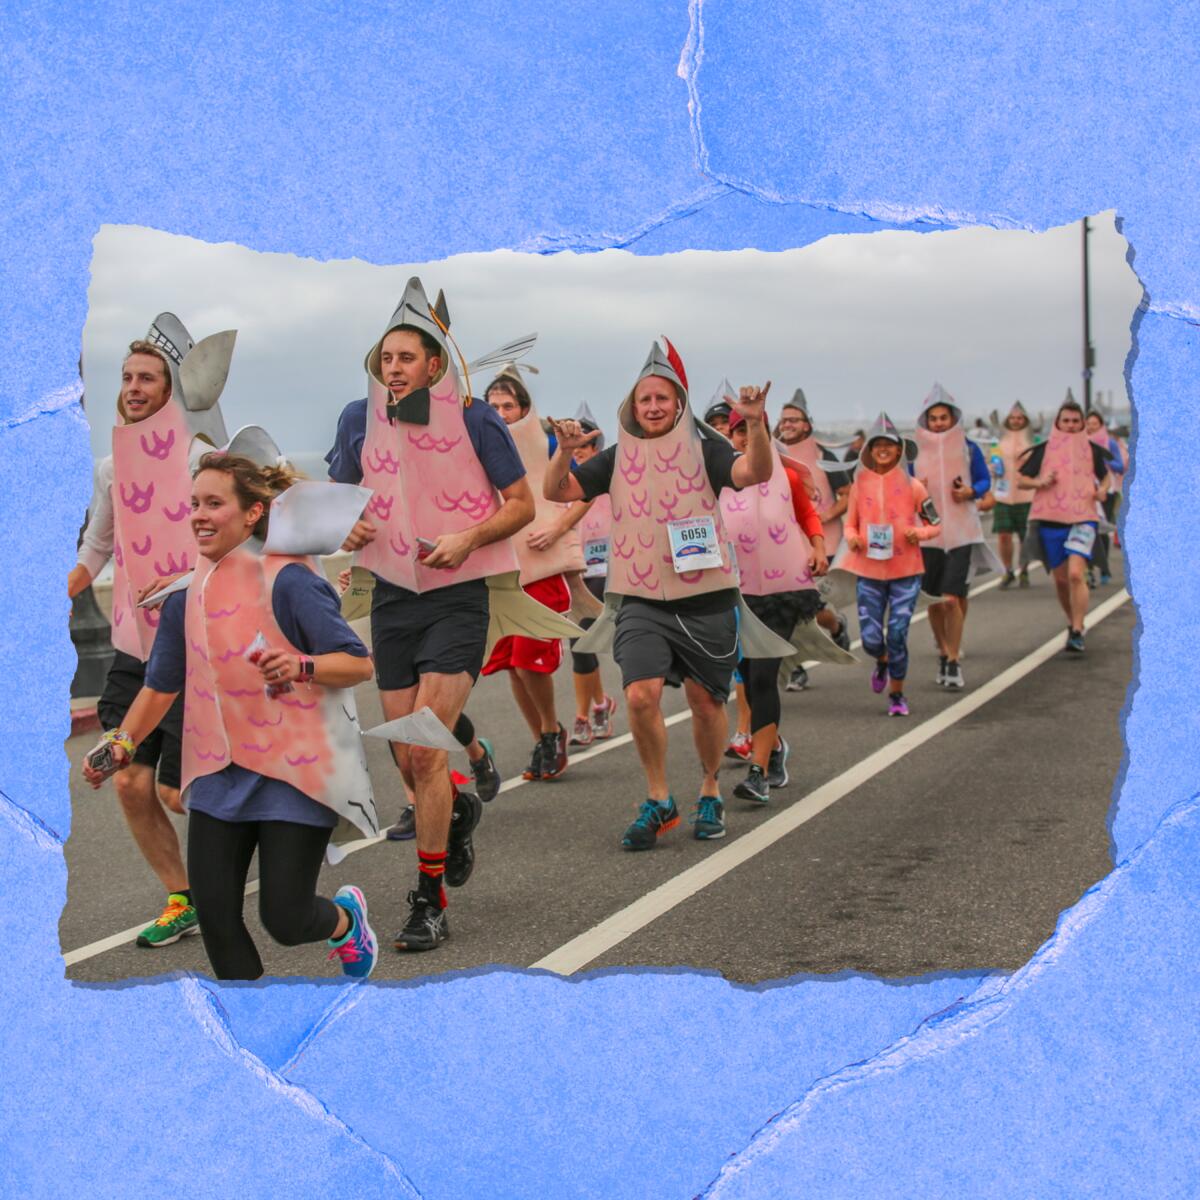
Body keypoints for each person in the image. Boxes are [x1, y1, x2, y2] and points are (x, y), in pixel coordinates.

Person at [82, 454, 381, 980]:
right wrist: (121, 745)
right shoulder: (185, 595)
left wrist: (302, 663)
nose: (198, 514)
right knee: (218, 918)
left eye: (214, 503)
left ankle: (345, 921)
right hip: (218, 769)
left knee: (285, 919)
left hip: (297, 770)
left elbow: (357, 663)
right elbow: (161, 686)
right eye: (194, 503)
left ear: (252, 514)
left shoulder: (291, 581)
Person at [326, 277, 538, 951]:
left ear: (434, 363)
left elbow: (521, 503)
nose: (393, 369)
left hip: (458, 595)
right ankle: (461, 809)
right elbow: (341, 499)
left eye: (406, 358)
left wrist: (469, 537)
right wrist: (350, 527)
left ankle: (429, 897)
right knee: (409, 760)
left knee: (423, 748)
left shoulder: (478, 419)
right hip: (391, 597)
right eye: (385, 358)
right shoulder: (358, 418)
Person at [546, 339, 784, 847]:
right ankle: (658, 799)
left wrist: (757, 425)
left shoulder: (707, 448)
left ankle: (709, 787)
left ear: (679, 403)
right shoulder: (616, 456)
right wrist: (563, 453)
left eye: (662, 398)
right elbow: (558, 491)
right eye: (644, 399)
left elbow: (754, 472)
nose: (653, 407)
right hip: (639, 597)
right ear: (632, 407)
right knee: (639, 695)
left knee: (703, 702)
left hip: (707, 598)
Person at [67, 314, 237, 949]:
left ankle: (279, 830)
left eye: (149, 378)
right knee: (131, 779)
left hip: (196, 642)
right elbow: (97, 548)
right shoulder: (112, 467)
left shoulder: (199, 457)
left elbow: (247, 523)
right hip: (135, 646)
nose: (135, 387)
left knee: (176, 789)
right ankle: (183, 896)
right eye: (128, 377)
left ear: (172, 390)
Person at [720, 407, 830, 802]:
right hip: (733, 592)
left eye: (754, 430)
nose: (747, 439)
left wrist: (817, 547)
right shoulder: (719, 478)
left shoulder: (787, 476)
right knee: (747, 678)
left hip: (782, 591)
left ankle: (758, 772)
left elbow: (807, 515)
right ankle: (776, 747)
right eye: (739, 433)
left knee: (764, 678)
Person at [481, 363, 581, 780]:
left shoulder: (546, 443)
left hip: (542, 569)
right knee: (509, 665)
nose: (501, 412)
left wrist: (557, 526)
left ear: (524, 407)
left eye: (508, 405)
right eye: (493, 406)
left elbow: (585, 491)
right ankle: (544, 737)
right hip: (503, 571)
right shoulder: (478, 444)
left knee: (528, 662)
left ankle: (550, 729)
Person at [839, 413, 941, 716]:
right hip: (869, 570)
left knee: (897, 633)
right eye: (877, 444)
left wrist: (919, 533)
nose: (883, 449)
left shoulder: (914, 486)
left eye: (889, 444)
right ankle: (881, 660)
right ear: (869, 450)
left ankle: (897, 694)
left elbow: (934, 523)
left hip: (906, 571)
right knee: (871, 639)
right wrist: (853, 537)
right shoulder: (860, 485)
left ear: (899, 450)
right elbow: (849, 524)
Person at [913, 383, 1000, 690]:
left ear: (953, 419)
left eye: (943, 418)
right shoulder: (915, 450)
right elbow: (901, 486)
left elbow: (984, 479)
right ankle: (942, 647)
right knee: (934, 602)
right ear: (926, 420)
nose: (938, 423)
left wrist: (970, 491)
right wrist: (915, 486)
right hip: (928, 536)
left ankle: (952, 660)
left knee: (952, 599)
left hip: (962, 532)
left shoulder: (967, 447)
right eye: (933, 418)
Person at [772, 389, 852, 689]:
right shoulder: (770, 454)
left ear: (807, 424)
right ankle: (796, 668)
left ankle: (836, 623)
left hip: (822, 544)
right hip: (783, 545)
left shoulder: (822, 455)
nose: (788, 424)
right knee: (789, 610)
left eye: (795, 419)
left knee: (813, 609)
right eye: (784, 419)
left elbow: (847, 494)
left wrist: (826, 516)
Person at [1018, 394, 1111, 652]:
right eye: (1066, 421)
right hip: (1051, 520)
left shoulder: (1091, 449)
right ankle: (1072, 623)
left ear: (1082, 423)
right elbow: (1021, 479)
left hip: (1083, 518)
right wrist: (1040, 482)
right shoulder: (1045, 449)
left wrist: (1102, 490)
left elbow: (1105, 478)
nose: (1070, 425)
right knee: (1060, 580)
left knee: (1075, 574)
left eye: (1075, 421)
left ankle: (1079, 628)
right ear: (1057, 423)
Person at [990, 401, 1036, 589]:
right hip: (1003, 494)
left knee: (1025, 535)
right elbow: (993, 461)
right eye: (1012, 418)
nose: (1016, 421)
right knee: (1003, 535)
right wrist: (993, 467)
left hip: (1026, 494)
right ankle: (1008, 570)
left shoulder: (1034, 440)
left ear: (1025, 420)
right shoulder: (999, 441)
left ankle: (1024, 569)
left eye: (1019, 418)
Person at [1085, 408, 1126, 586]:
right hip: (1086, 490)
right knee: (1088, 529)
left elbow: (1120, 466)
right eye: (1089, 423)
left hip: (1106, 491)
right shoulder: (1080, 442)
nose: (1092, 427)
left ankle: (1104, 568)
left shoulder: (1110, 443)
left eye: (1095, 424)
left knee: (1102, 530)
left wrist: (1104, 459)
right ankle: (1089, 570)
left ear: (1101, 425)